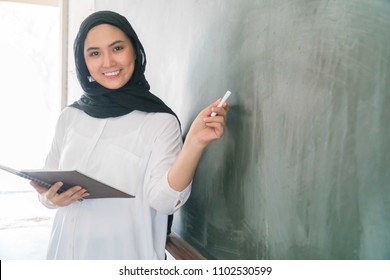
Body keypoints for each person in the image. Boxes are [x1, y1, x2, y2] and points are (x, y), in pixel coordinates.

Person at [30, 10, 228, 260]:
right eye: (94, 53)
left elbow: (164, 201)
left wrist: (194, 145)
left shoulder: (159, 121)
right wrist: (49, 199)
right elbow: (47, 190)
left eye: (117, 48)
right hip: (63, 254)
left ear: (134, 50)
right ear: (84, 62)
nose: (108, 62)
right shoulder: (70, 117)